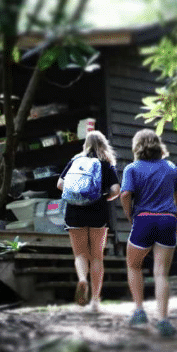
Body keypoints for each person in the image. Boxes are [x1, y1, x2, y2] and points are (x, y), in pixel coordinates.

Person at [119, 129, 177, 337]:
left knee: (133, 264)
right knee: (161, 273)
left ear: (136, 146)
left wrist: (130, 215)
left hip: (144, 220)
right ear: (158, 145)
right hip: (167, 220)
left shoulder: (132, 168)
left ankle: (139, 311)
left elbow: (125, 194)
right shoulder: (171, 167)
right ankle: (163, 321)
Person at [57, 130, 120, 313]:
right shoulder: (106, 164)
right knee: (97, 257)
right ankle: (95, 300)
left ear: (86, 144)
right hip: (97, 211)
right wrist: (104, 198)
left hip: (74, 212)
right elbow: (116, 189)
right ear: (103, 145)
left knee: (80, 255)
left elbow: (60, 184)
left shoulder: (75, 161)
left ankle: (82, 279)